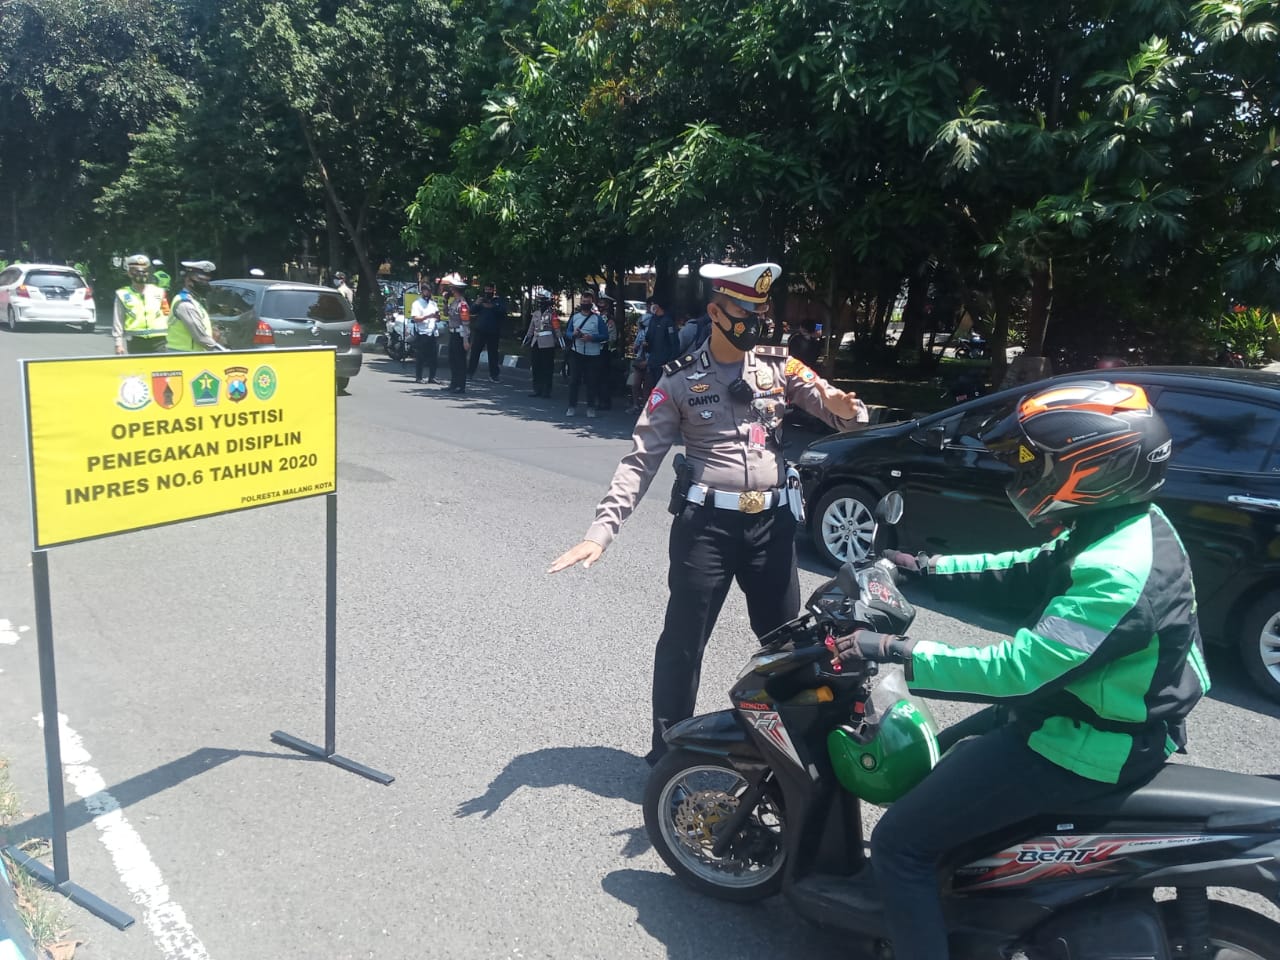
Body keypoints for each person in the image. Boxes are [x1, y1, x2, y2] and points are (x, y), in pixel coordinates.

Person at [828, 380, 1208, 960]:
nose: (1028, 476)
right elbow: (1027, 566)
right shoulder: (1126, 526)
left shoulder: (1116, 573)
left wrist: (893, 652)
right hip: (1091, 715)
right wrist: (921, 566)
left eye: (1041, 463)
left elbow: (1019, 670)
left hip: (1083, 743)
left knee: (900, 843)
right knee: (937, 764)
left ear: (1093, 467)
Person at [548, 262, 868, 764]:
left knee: (787, 647)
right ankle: (669, 754)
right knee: (682, 643)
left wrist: (845, 406)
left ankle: (791, 752)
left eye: (760, 312)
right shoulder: (678, 381)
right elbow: (640, 459)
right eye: (744, 312)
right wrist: (601, 531)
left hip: (772, 527)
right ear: (716, 312)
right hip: (707, 532)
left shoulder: (781, 369)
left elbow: (841, 413)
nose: (754, 322)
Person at [112, 253, 170, 355]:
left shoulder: (159, 292)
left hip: (159, 340)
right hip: (136, 341)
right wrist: (118, 344)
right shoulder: (122, 294)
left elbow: (167, 314)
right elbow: (118, 320)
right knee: (140, 371)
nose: (141, 274)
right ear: (130, 273)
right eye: (136, 271)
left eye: (144, 271)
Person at [563, 288, 607, 418]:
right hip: (577, 353)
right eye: (583, 301)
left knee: (591, 382)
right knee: (574, 381)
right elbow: (568, 333)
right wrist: (574, 335)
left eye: (588, 301)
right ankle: (571, 406)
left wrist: (592, 338)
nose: (585, 303)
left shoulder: (597, 319)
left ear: (592, 302)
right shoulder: (575, 317)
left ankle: (590, 407)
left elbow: (605, 335)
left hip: (593, 355)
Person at [167, 260, 225, 352]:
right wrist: (221, 351)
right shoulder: (185, 303)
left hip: (192, 354)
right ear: (188, 280)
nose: (205, 284)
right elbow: (201, 338)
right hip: (183, 355)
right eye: (201, 280)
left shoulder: (195, 301)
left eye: (207, 281)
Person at [524, 288, 561, 398]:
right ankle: (537, 389)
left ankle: (546, 390)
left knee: (547, 368)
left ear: (548, 301)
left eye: (543, 300)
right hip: (536, 344)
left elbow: (557, 330)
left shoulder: (552, 315)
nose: (541, 303)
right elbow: (531, 329)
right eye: (540, 300)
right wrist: (526, 340)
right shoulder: (535, 314)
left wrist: (561, 343)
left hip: (548, 345)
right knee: (536, 367)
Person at [468, 282, 507, 382]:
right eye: (486, 289)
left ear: (493, 290)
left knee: (493, 354)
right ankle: (469, 373)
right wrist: (476, 303)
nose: (487, 291)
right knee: (475, 352)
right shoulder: (481, 300)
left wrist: (492, 306)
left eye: (489, 289)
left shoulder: (498, 301)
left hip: (493, 331)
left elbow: (503, 312)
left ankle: (494, 375)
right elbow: (471, 311)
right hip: (480, 330)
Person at [442, 273, 471, 393]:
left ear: (457, 290)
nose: (451, 290)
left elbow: (466, 323)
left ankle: (461, 386)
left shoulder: (462, 305)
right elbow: (446, 314)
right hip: (453, 334)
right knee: (452, 360)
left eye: (452, 288)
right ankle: (453, 384)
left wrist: (466, 340)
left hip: (460, 335)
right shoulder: (454, 302)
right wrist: (445, 301)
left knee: (460, 361)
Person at [410, 282, 441, 383]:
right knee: (421, 356)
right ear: (422, 292)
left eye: (429, 291)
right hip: (422, 332)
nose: (428, 293)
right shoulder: (417, 304)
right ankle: (419, 377)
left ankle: (432, 377)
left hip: (432, 332)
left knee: (434, 357)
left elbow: (438, 317)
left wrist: (436, 316)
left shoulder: (433, 303)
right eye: (426, 291)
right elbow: (415, 318)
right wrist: (428, 316)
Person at [625, 307, 651, 414]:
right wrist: (637, 347)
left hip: (649, 360)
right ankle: (636, 405)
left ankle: (645, 407)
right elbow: (635, 347)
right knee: (635, 383)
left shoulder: (653, 332)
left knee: (647, 386)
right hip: (640, 358)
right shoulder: (641, 332)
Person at [596, 293, 619, 410]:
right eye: (599, 302)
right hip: (596, 350)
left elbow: (612, 338)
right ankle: (600, 400)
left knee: (604, 378)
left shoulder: (609, 320)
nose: (600, 305)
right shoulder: (597, 317)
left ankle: (605, 401)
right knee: (597, 377)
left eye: (602, 303)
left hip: (605, 351)